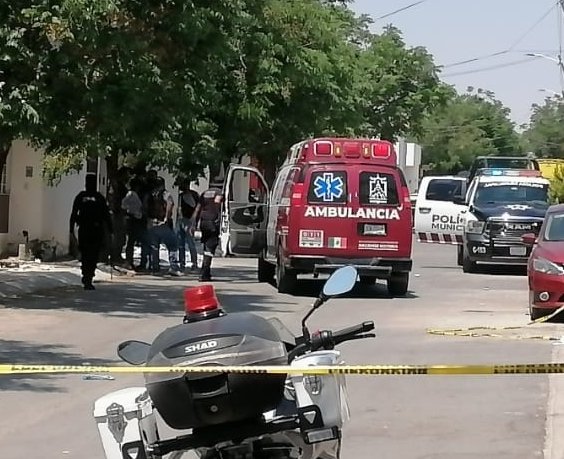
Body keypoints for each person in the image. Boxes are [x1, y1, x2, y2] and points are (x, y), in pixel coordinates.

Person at [69, 173, 113, 290]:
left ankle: (87, 276)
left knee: (87, 254)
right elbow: (106, 215)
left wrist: (71, 229)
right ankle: (88, 277)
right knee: (92, 254)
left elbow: (74, 214)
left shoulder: (81, 196)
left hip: (86, 230)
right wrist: (111, 230)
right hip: (94, 230)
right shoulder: (99, 197)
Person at [147, 176, 183, 276]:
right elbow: (170, 204)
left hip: (152, 222)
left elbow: (145, 206)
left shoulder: (151, 194)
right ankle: (173, 267)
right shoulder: (165, 194)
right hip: (162, 223)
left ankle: (155, 268)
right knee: (172, 245)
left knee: (154, 247)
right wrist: (166, 218)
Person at [193, 185, 224, 282]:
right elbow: (217, 204)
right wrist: (218, 218)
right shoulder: (219, 192)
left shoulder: (205, 193)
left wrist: (194, 223)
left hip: (204, 222)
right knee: (210, 248)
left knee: (207, 247)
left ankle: (206, 272)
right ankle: (204, 273)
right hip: (212, 222)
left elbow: (198, 208)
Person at [121, 177, 146, 270]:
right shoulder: (131, 194)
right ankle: (128, 261)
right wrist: (129, 211)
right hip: (132, 219)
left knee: (132, 241)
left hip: (136, 219)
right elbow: (123, 205)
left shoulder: (136, 194)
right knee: (131, 241)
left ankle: (130, 261)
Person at [176, 179, 200, 272]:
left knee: (190, 243)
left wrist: (193, 221)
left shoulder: (192, 195)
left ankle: (194, 263)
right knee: (181, 243)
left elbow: (196, 208)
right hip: (182, 220)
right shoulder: (181, 195)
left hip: (188, 220)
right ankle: (182, 263)